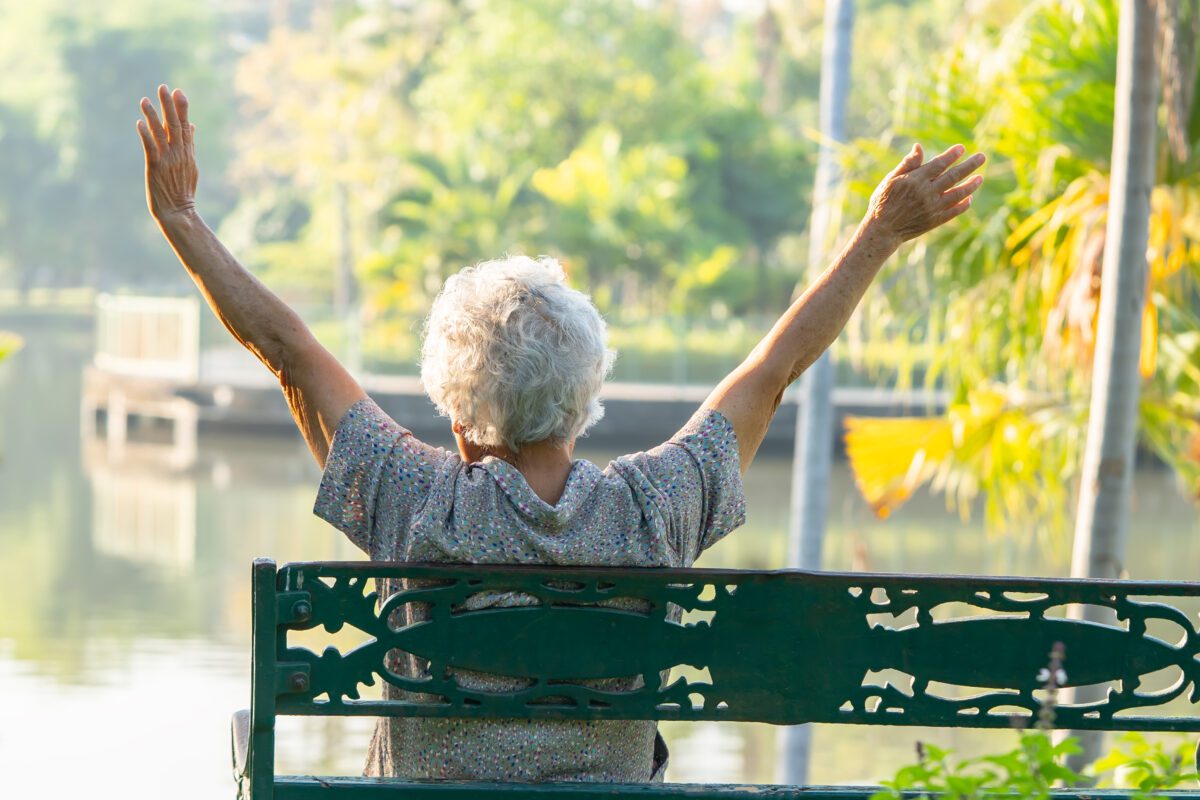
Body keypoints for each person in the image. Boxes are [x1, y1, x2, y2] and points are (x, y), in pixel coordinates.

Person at [137, 84, 985, 782]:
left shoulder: (413, 501)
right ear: (584, 403)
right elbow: (772, 374)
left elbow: (288, 353)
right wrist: (878, 233)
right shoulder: (656, 509)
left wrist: (182, 219)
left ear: (461, 421)